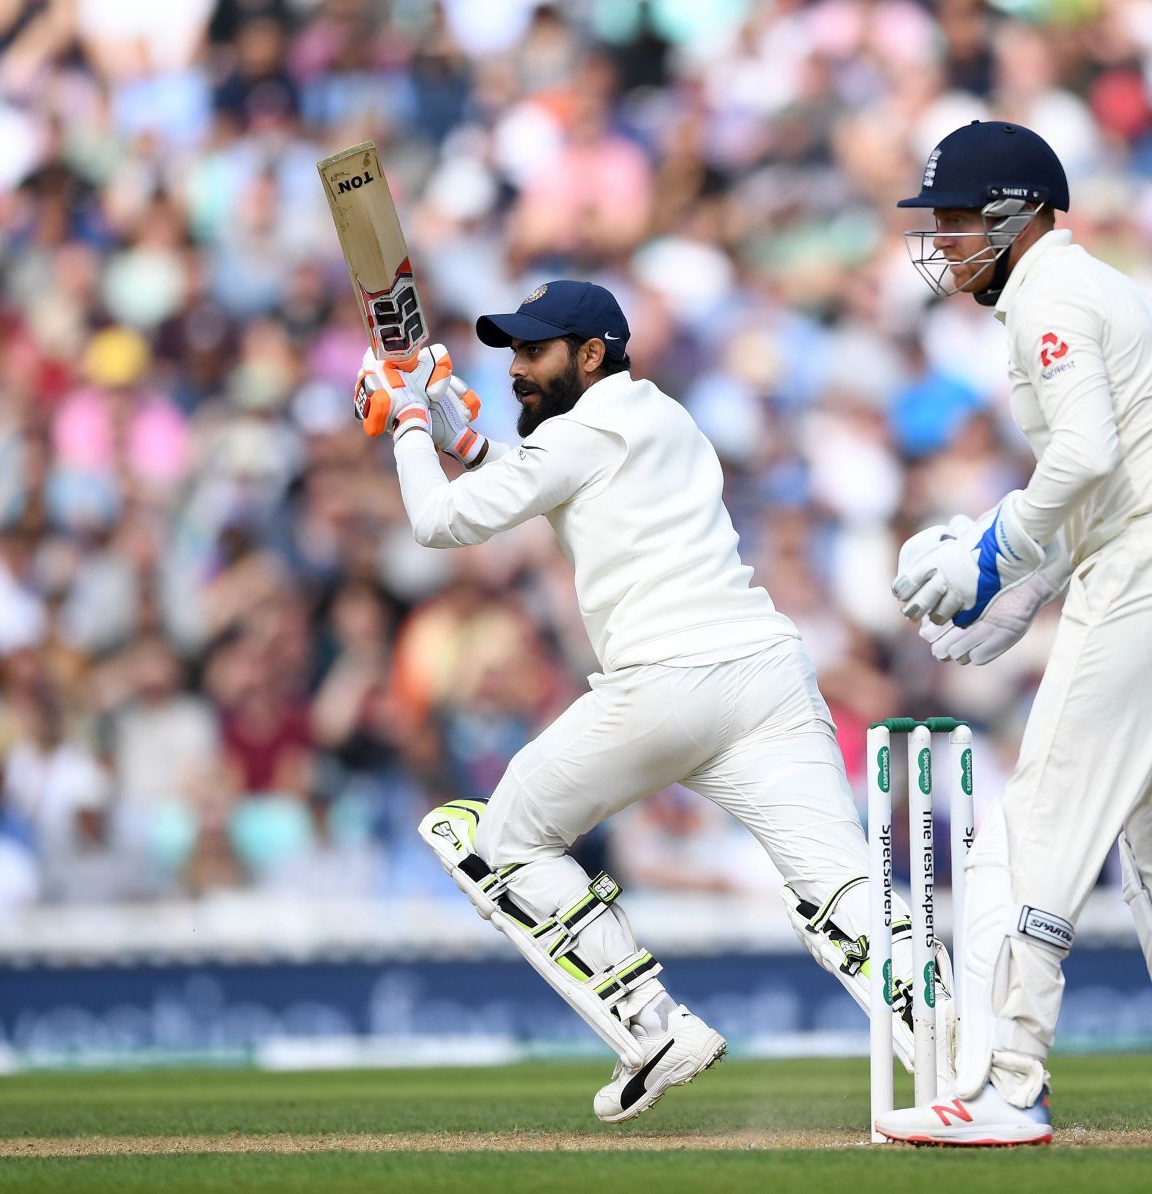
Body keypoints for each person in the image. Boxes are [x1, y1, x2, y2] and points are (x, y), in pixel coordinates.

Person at [360, 281, 946, 1124]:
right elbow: (543, 480)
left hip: (669, 679)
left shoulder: (582, 433)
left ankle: (653, 1026)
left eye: (535, 352)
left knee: (502, 841)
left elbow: (439, 521)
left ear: (590, 355)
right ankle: (956, 1051)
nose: (518, 369)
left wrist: (410, 423)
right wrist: (454, 422)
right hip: (768, 673)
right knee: (842, 884)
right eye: (514, 354)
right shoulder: (660, 415)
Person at [876, 121, 1152, 1146]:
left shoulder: (1050, 297)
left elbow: (1091, 457)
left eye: (960, 221)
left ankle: (1010, 1081)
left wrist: (993, 552)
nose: (946, 242)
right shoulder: (1096, 290)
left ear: (1018, 216)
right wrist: (1026, 585)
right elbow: (1119, 474)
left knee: (1043, 818)